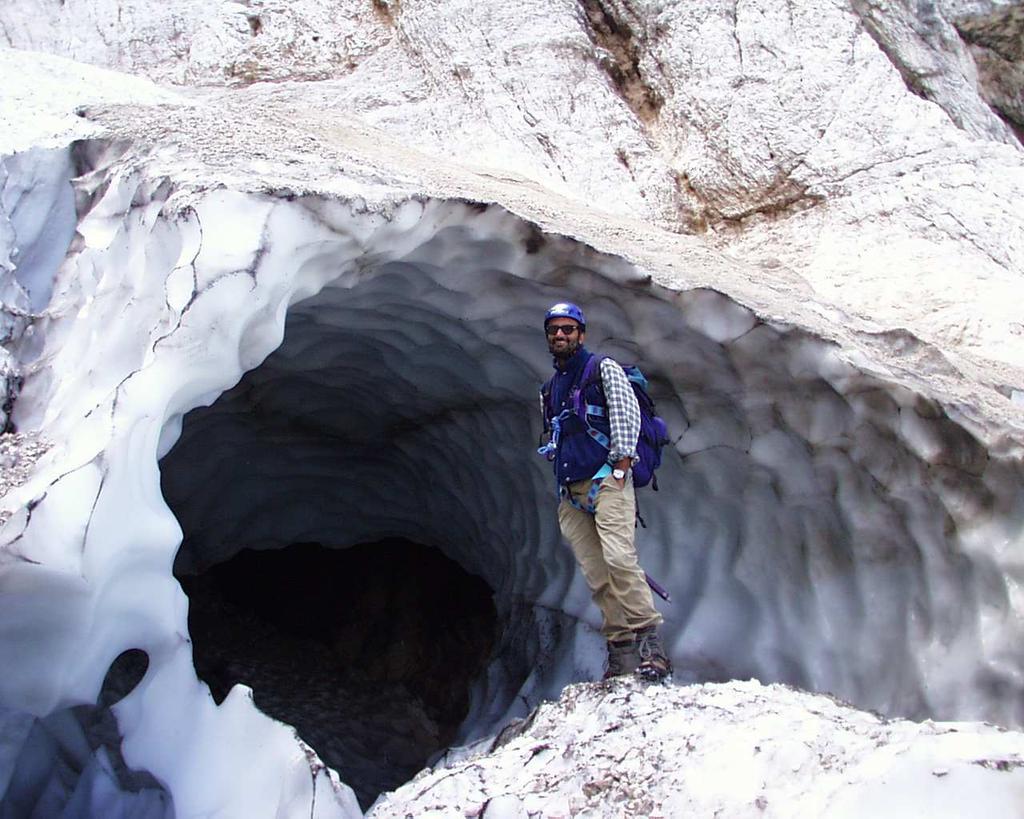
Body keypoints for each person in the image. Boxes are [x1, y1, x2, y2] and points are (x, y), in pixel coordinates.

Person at [538, 302, 672, 681]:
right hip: (572, 494)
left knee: (620, 560)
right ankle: (621, 653)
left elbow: (625, 414)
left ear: (581, 333)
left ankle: (651, 644)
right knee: (598, 575)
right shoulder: (550, 388)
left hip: (607, 480)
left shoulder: (602, 368)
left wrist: (620, 467)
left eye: (568, 329)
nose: (560, 335)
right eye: (554, 330)